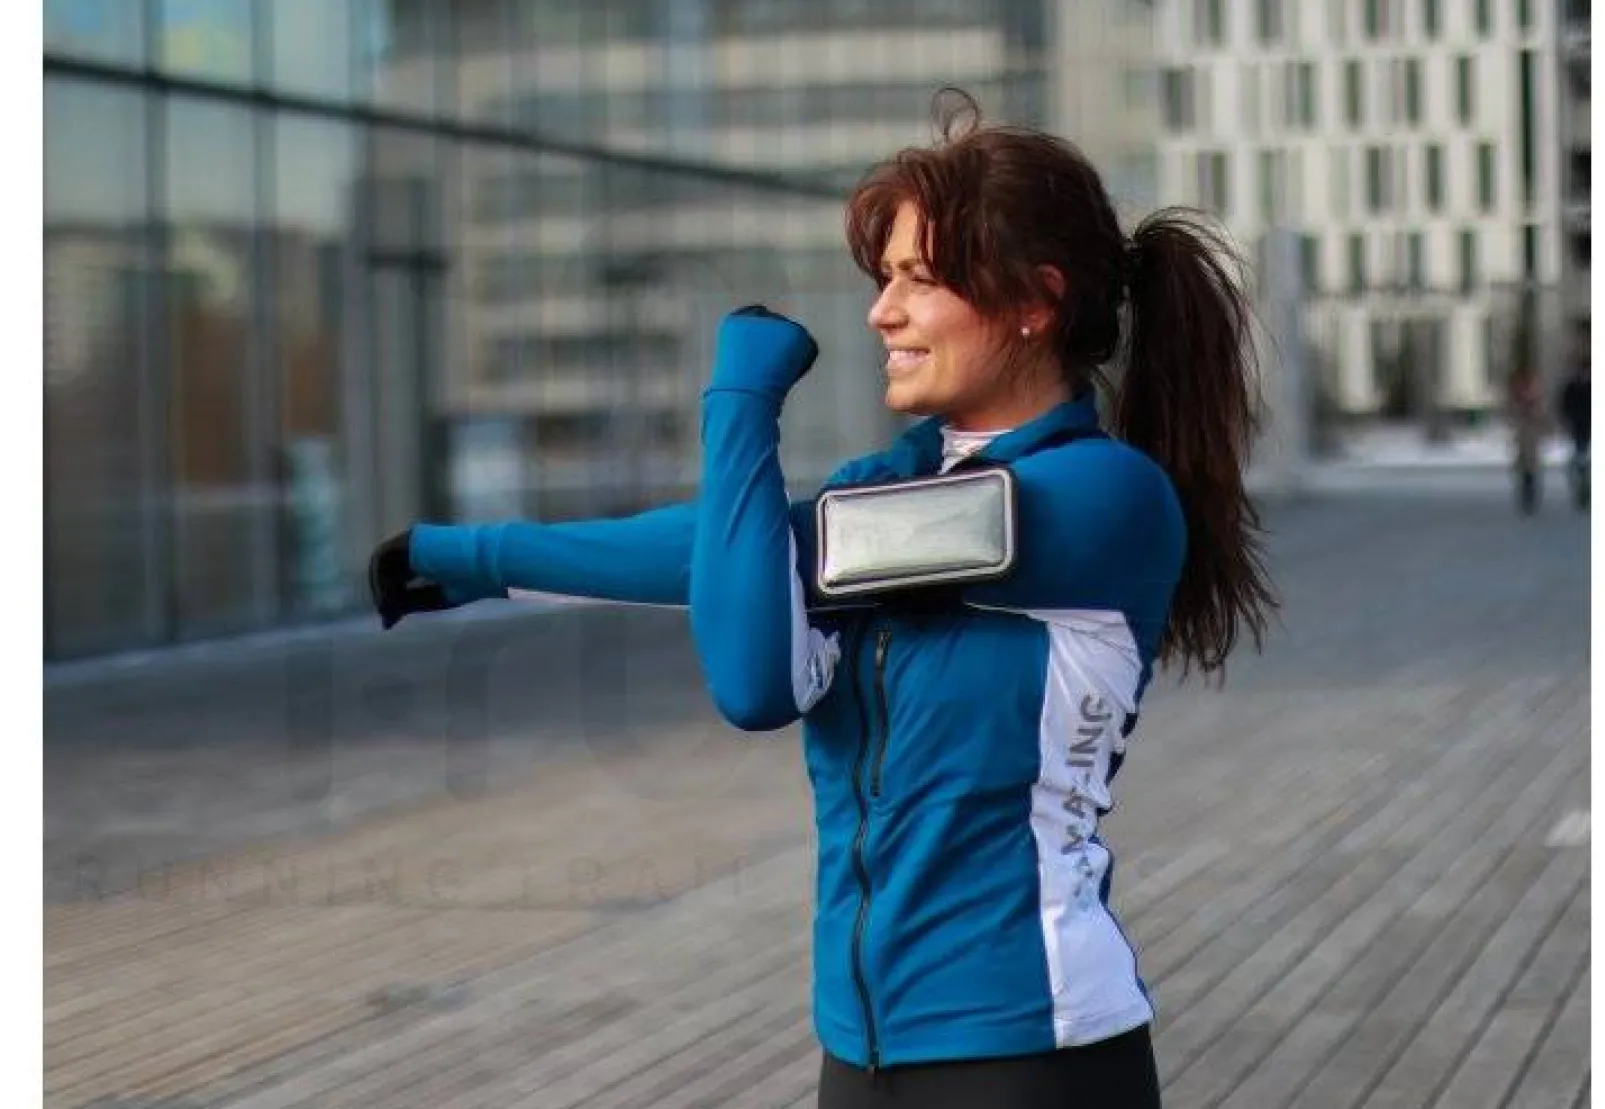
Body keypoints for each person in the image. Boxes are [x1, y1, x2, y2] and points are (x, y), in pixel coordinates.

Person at [368, 91, 1276, 1109]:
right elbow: (745, 553)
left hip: (1033, 1050)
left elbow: (754, 671)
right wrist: (473, 555)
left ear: (1035, 300)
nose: (882, 311)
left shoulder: (1103, 498)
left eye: (920, 279)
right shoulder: (891, 493)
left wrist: (738, 398)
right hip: (860, 1052)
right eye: (884, 278)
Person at [1507, 362, 1547, 515]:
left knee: (1531, 469)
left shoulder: (1535, 399)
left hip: (1531, 438)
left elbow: (1540, 416)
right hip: (1524, 439)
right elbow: (1513, 415)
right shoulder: (1518, 400)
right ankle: (1526, 496)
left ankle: (1530, 496)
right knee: (1525, 469)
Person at [1557, 355, 1591, 511]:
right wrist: (1567, 420)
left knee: (1583, 458)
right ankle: (1582, 491)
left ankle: (1585, 489)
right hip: (1578, 427)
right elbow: (1565, 405)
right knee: (1580, 458)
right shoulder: (1572, 387)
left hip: (1588, 426)